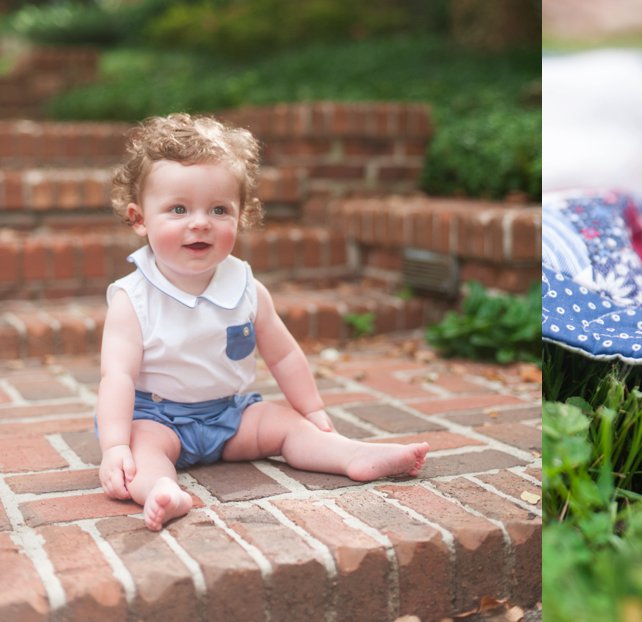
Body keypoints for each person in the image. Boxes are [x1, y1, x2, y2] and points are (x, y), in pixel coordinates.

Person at [96, 113, 429, 531]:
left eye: (219, 209)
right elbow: (117, 377)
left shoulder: (245, 287)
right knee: (142, 452)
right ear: (140, 218)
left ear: (241, 216)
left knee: (284, 424)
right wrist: (113, 446)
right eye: (178, 209)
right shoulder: (133, 297)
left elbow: (284, 354)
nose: (199, 222)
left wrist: (312, 411)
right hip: (158, 418)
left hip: (230, 415)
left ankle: (351, 455)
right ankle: (163, 491)